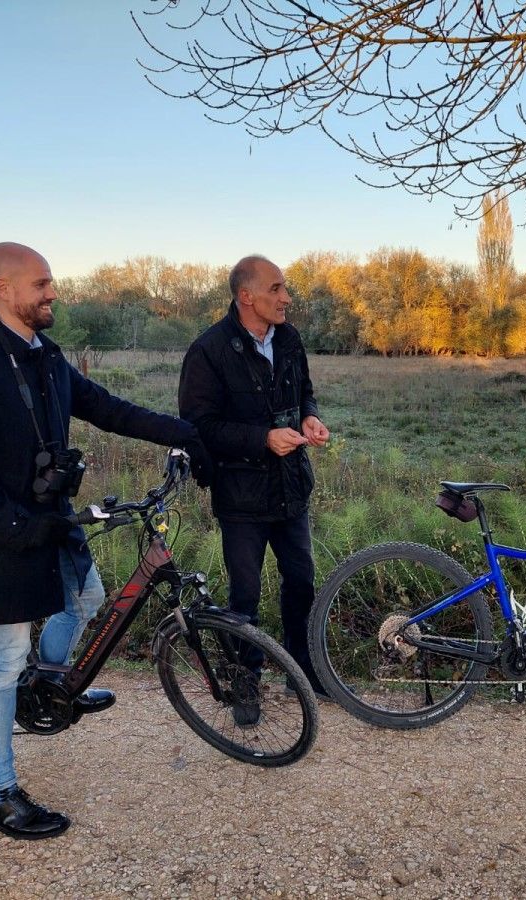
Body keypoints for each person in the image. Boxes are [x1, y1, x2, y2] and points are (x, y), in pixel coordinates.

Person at [0, 242, 206, 840]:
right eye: (42, 283)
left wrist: (187, 433)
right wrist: (15, 526)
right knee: (1, 661)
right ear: (4, 289)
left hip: (51, 521)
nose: (53, 292)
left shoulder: (46, 357)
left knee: (85, 597)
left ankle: (48, 683)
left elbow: (108, 409)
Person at [178, 255, 330, 719]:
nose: (287, 298)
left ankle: (300, 668)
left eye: (285, 289)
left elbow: (303, 389)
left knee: (301, 581)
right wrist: (262, 439)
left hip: (291, 488)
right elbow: (198, 425)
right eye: (277, 289)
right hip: (241, 497)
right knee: (244, 594)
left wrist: (309, 414)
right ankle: (246, 679)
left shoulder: (288, 338)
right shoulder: (209, 350)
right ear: (246, 296)